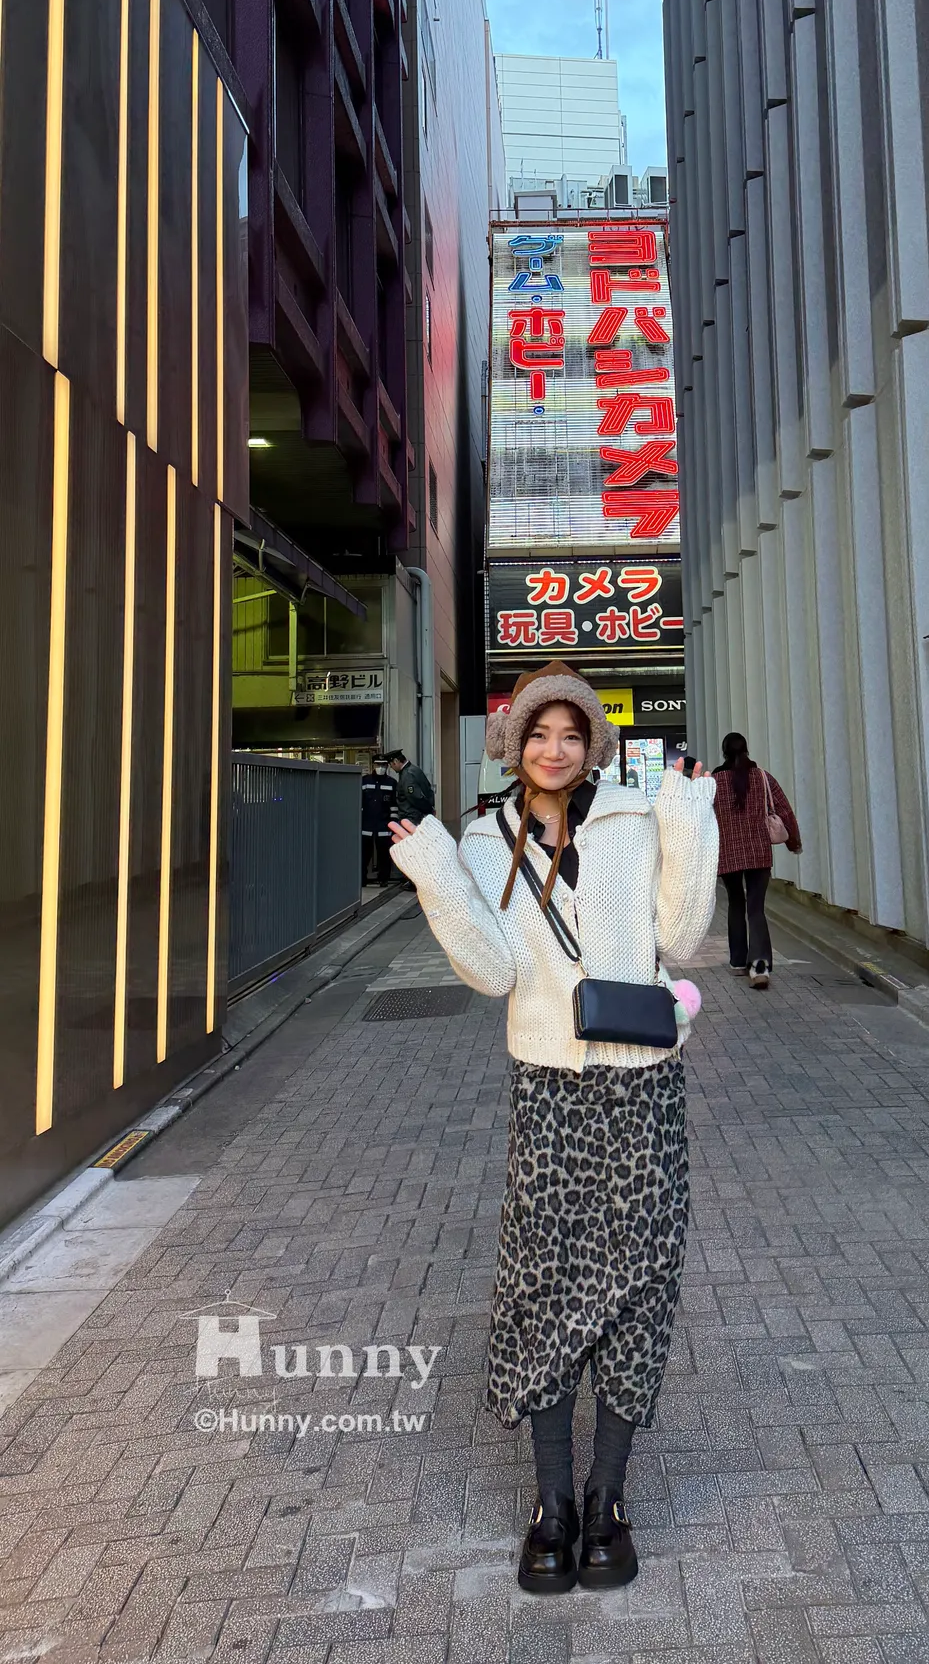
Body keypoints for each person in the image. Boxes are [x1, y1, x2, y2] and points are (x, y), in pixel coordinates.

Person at [389, 660, 717, 1596]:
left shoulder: (632, 819)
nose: (555, 749)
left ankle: (608, 1498)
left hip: (644, 1083)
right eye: (540, 733)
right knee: (544, 1281)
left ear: (592, 747)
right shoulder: (483, 839)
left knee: (642, 1278)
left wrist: (688, 816)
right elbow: (493, 971)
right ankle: (552, 1505)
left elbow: (681, 936)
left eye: (573, 735)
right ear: (514, 742)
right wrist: (435, 869)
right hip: (547, 1086)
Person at [712, 733, 801, 988]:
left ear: (724, 752)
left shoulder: (714, 782)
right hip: (759, 852)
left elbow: (703, 818)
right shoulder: (762, 778)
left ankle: (738, 961)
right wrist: (794, 842)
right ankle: (759, 965)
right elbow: (784, 810)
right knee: (756, 907)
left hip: (728, 853)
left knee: (735, 903)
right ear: (746, 750)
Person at [360, 755, 399, 886]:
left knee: (384, 855)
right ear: (373, 765)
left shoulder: (392, 783)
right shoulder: (364, 781)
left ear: (387, 766)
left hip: (384, 826)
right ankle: (362, 879)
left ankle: (383, 879)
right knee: (364, 855)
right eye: (378, 765)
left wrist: (393, 825)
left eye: (383, 765)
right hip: (366, 825)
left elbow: (394, 806)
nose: (380, 767)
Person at [388, 747, 436, 823]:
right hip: (416, 815)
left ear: (396, 761)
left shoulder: (407, 774)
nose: (391, 768)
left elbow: (414, 796)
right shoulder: (414, 769)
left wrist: (428, 809)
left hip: (411, 816)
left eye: (391, 765)